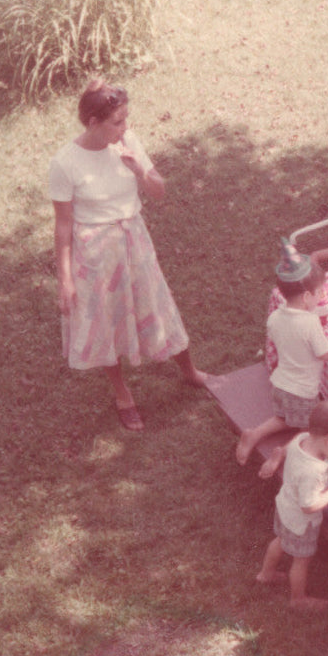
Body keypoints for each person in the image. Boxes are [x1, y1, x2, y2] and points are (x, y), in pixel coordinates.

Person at [49, 79, 206, 432]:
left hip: (134, 237)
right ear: (92, 122)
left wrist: (139, 170)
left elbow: (160, 191)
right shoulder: (65, 164)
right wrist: (66, 279)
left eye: (126, 119)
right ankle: (122, 394)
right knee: (108, 320)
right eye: (117, 122)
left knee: (158, 303)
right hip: (95, 251)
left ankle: (190, 371)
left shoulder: (127, 142)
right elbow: (62, 227)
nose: (125, 128)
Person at [235, 240, 328, 468]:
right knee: (310, 431)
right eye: (318, 293)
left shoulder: (275, 317)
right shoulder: (309, 322)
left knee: (284, 418)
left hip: (281, 384)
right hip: (303, 391)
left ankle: (254, 434)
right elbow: (324, 354)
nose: (320, 297)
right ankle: (283, 453)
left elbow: (280, 341)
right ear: (307, 297)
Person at [257, 399, 328, 612]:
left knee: (279, 540)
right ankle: (298, 599)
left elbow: (289, 450)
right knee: (301, 561)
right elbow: (309, 505)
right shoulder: (312, 473)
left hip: (285, 507)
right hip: (302, 521)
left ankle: (265, 574)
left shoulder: (304, 438)